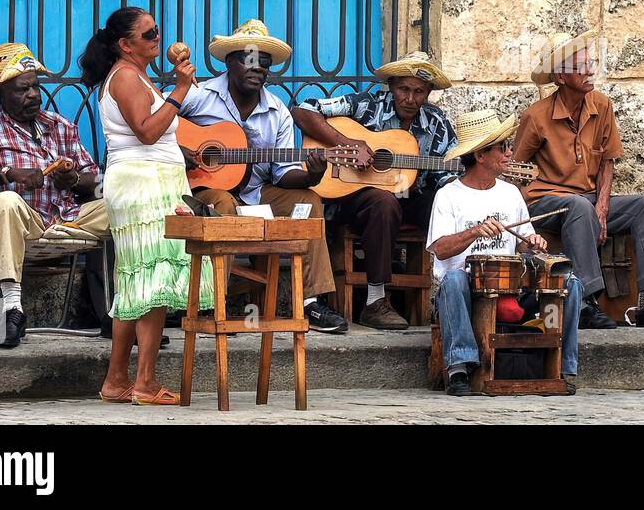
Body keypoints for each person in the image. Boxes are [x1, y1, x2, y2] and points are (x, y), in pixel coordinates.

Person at [81, 7, 215, 405]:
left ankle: (116, 381)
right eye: (149, 33)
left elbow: (154, 133)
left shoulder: (134, 75)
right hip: (143, 186)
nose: (158, 37)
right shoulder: (124, 77)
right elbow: (146, 131)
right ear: (125, 44)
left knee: (135, 281)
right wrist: (179, 90)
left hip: (149, 183)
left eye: (157, 30)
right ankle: (145, 382)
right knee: (152, 282)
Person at [177, 19, 346, 333]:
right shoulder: (198, 95)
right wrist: (180, 150)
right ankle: (212, 303)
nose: (257, 69)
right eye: (249, 60)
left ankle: (311, 303)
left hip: (257, 194)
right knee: (222, 208)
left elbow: (282, 175)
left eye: (264, 63)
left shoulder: (277, 111)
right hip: (205, 190)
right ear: (229, 62)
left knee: (309, 201)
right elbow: (152, 119)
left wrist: (311, 176)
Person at [513, 32, 644, 329]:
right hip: (545, 204)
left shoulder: (601, 105)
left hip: (588, 202)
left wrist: (602, 208)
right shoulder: (536, 116)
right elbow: (514, 169)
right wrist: (522, 216)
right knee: (578, 206)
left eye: (591, 63)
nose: (590, 70)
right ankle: (585, 302)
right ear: (561, 77)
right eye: (580, 66)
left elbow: (607, 162)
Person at [0, 43, 104, 347]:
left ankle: (122, 311)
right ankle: (13, 309)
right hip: (22, 221)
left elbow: (96, 180)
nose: (33, 95)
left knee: (123, 206)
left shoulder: (59, 126)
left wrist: (73, 179)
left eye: (35, 86)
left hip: (69, 218)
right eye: (22, 89)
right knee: (7, 200)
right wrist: (9, 174)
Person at [292, 51, 457, 330]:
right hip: (354, 199)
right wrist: (348, 144)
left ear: (428, 93)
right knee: (384, 200)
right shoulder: (366, 104)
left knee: (448, 204)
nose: (410, 98)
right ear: (391, 86)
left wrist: (460, 192)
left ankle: (455, 296)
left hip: (409, 196)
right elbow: (303, 109)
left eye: (419, 92)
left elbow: (447, 173)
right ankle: (375, 301)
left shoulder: (436, 121)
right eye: (404, 89)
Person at [427, 109, 582, 396]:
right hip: (468, 290)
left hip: (511, 284)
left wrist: (532, 241)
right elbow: (440, 249)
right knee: (452, 281)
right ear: (480, 156)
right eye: (503, 147)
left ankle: (560, 364)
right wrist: (473, 232)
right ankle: (460, 366)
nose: (510, 152)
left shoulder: (510, 193)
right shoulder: (449, 194)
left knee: (568, 283)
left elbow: (521, 245)